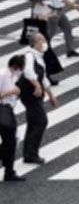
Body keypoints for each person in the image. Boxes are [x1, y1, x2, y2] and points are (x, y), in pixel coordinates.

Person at [21, 33, 58, 164]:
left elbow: (44, 78)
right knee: (41, 121)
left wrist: (51, 95)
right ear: (36, 43)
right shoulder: (29, 56)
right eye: (42, 40)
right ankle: (31, 154)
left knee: (33, 122)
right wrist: (37, 86)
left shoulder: (38, 56)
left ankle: (28, 153)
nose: (44, 43)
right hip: (29, 94)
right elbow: (28, 72)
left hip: (34, 94)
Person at [0, 55, 25, 183]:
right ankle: (9, 172)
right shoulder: (3, 75)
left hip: (8, 110)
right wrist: (12, 91)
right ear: (15, 66)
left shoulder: (9, 75)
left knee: (10, 141)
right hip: (3, 110)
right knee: (10, 142)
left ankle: (9, 171)